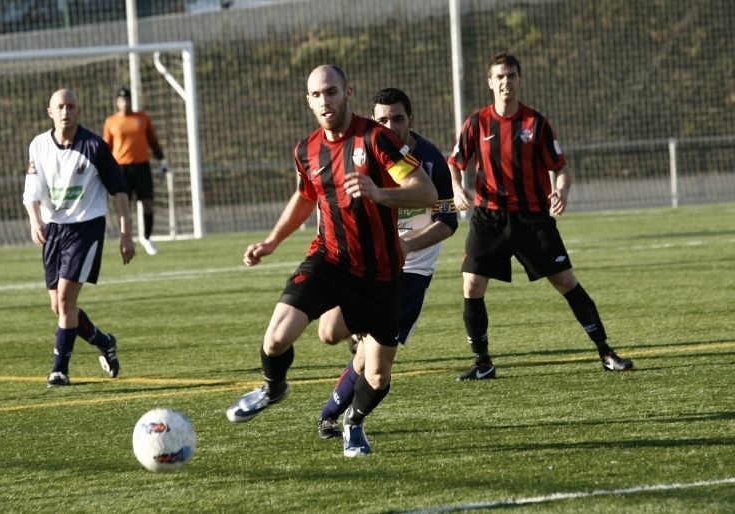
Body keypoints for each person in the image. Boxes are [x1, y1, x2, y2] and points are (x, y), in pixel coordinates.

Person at [225, 65, 437, 458]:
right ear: (309, 101)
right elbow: (306, 196)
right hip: (329, 259)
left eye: (332, 92)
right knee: (275, 339)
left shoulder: (376, 138)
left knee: (377, 372)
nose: (325, 101)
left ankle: (353, 423)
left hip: (380, 273)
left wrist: (379, 193)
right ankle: (273, 388)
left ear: (347, 93)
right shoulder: (306, 149)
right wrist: (272, 241)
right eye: (317, 95)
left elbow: (425, 192)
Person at [448, 52, 634, 381]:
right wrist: (457, 188)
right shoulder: (477, 123)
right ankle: (482, 363)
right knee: (472, 284)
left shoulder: (536, 123)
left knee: (565, 282)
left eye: (511, 76)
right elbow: (455, 160)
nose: (506, 82)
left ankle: (605, 351)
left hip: (532, 218)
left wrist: (561, 191)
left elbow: (560, 168)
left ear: (520, 80)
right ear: (490, 82)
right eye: (500, 76)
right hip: (489, 218)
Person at [315, 87, 458, 439]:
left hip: (409, 272)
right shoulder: (362, 153)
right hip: (366, 264)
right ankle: (358, 337)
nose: (390, 126)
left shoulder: (430, 161)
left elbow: (449, 220)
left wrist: (408, 245)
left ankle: (334, 417)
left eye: (397, 118)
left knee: (371, 362)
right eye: (382, 119)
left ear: (411, 119)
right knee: (329, 331)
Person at [23, 89, 135, 387]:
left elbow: (119, 190)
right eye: (60, 107)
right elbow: (31, 193)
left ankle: (59, 369)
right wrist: (35, 221)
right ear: (50, 111)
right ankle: (104, 341)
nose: (65, 112)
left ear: (78, 111)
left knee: (65, 298)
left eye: (71, 106)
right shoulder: (38, 146)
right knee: (59, 307)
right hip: (53, 230)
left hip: (86, 228)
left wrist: (126, 234)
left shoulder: (94, 146)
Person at [102, 87, 168, 256]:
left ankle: (147, 237)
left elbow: (152, 141)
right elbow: (106, 148)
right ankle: (127, 237)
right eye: (121, 100)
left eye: (127, 99)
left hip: (142, 166)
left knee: (148, 203)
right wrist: (103, 167)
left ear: (131, 100)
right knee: (124, 206)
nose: (125, 102)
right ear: (117, 102)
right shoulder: (111, 122)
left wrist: (162, 160)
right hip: (121, 168)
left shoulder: (142, 118)